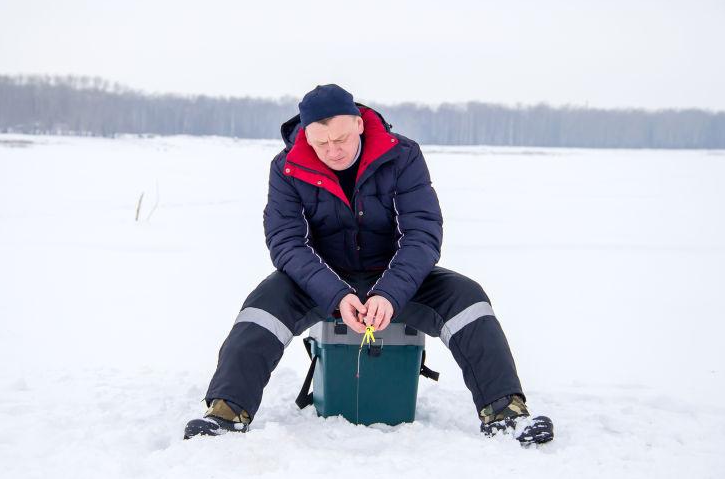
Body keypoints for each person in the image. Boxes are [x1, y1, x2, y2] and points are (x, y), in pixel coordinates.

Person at [184, 84, 553, 445]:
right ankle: (226, 412)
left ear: (359, 123)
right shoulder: (286, 167)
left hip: (395, 277)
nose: (333, 150)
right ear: (307, 138)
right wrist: (335, 295)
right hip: (321, 281)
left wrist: (390, 293)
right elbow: (286, 243)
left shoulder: (403, 155)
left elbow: (422, 235)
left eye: (341, 138)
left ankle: (505, 412)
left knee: (468, 299)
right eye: (321, 143)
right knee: (262, 307)